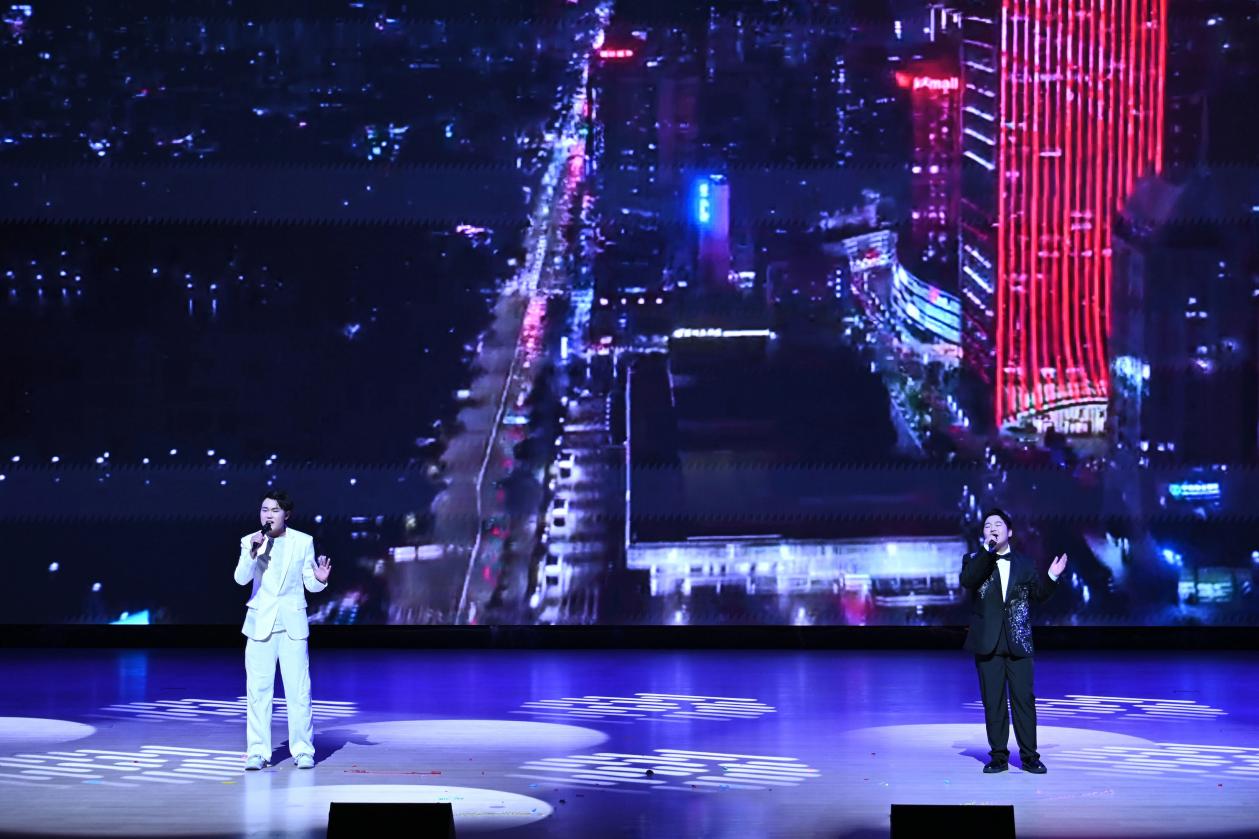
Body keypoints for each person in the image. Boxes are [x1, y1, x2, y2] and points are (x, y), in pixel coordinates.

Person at [960, 508, 1067, 774]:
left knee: (1024, 701)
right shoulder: (974, 559)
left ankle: (1030, 757)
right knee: (993, 702)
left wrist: (1052, 577)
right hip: (988, 641)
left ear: (1010, 531)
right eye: (987, 526)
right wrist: (987, 552)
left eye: (998, 525)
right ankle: (998, 757)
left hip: (1018, 640)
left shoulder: (1025, 563)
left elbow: (1038, 595)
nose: (992, 528)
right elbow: (968, 580)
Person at [234, 490, 331, 770]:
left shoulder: (303, 541)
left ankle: (303, 750)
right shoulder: (250, 541)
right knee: (258, 691)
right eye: (264, 509)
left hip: (292, 625)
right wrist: (252, 553)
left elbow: (309, 583)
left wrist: (320, 580)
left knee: (299, 691)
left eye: (275, 510)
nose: (268, 515)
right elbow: (241, 579)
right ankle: (257, 752)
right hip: (260, 624)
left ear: (286, 514)